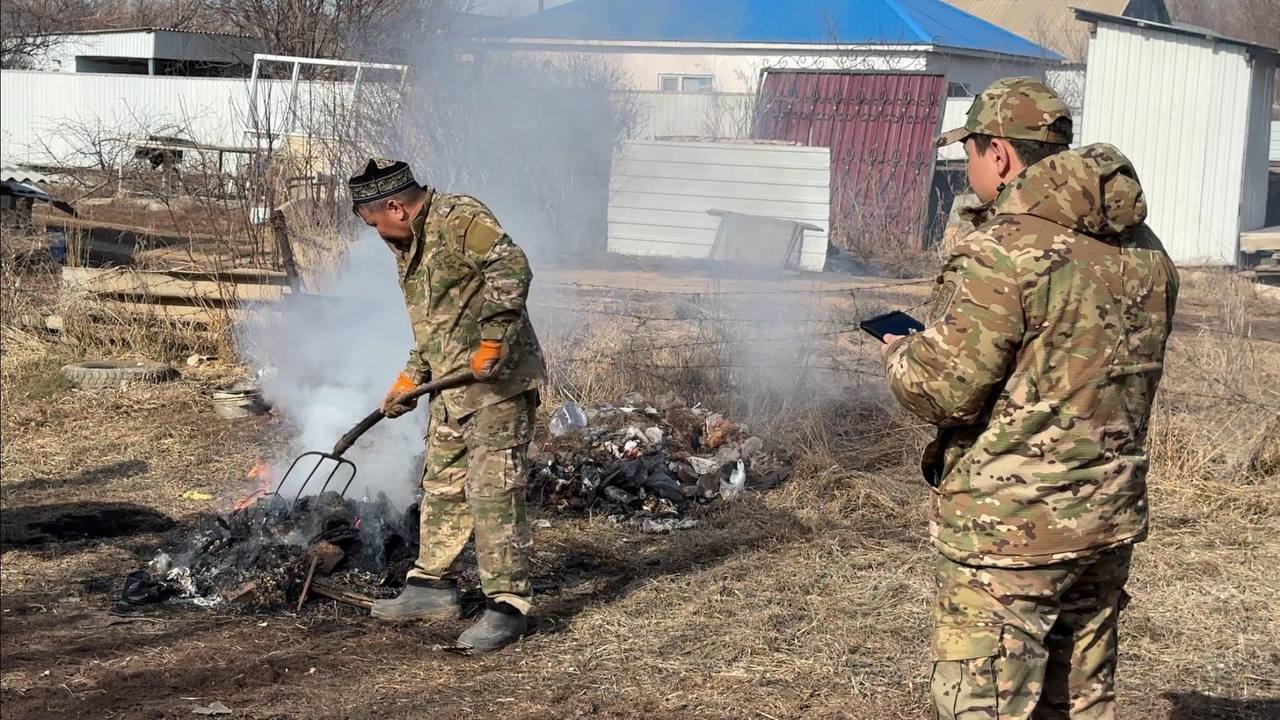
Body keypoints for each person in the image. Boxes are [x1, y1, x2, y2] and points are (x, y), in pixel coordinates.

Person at [880, 78, 1178, 719]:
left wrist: (901, 354)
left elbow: (941, 391)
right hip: (1105, 517)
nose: (968, 168)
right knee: (1077, 704)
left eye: (971, 152)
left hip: (1010, 533)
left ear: (1001, 156)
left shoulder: (1005, 253)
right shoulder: (1144, 250)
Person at [349, 158, 545, 653]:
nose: (379, 235)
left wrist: (495, 337)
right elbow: (436, 324)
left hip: (497, 386)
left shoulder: (458, 217)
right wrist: (410, 376)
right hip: (452, 388)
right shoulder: (409, 242)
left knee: (492, 492)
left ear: (396, 207)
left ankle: (507, 607)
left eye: (377, 224)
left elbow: (511, 265)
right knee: (442, 483)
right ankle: (431, 587)